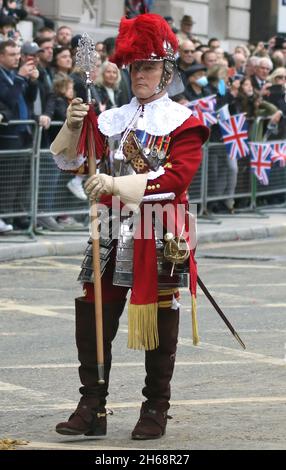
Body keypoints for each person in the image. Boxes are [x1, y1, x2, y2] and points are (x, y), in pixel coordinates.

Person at [50, 13, 208, 440]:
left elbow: (175, 180)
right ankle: (92, 404)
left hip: (158, 230)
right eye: (135, 67)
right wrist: (74, 124)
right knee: (92, 313)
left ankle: (155, 406)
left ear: (166, 71)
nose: (140, 74)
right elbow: (73, 160)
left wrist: (116, 183)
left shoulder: (184, 121)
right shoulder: (111, 118)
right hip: (110, 228)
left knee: (158, 318)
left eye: (149, 66)